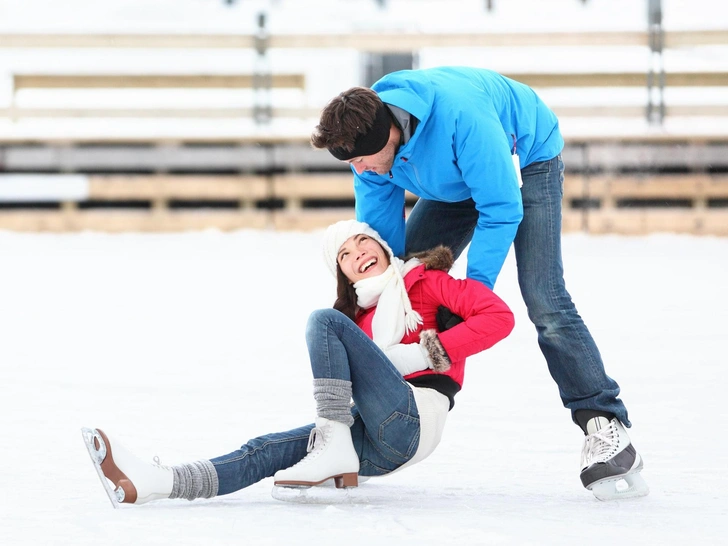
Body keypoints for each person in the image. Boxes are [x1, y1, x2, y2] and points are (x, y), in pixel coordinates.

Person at [310, 67, 648, 500]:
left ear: (389, 134)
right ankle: (393, 398)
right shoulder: (365, 140)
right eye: (351, 162)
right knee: (405, 279)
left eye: (361, 160)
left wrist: (475, 293)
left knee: (545, 298)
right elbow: (385, 255)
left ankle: (604, 424)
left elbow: (501, 208)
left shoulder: (461, 118)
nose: (359, 169)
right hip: (458, 177)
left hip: (527, 158)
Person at [82, 219, 514, 506]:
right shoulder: (356, 322)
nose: (358, 251)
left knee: (322, 321)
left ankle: (333, 443)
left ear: (381, 245)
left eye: (362, 239)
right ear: (344, 274)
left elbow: (499, 317)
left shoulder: (427, 282)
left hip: (417, 415)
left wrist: (424, 353)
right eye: (344, 254)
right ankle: (161, 483)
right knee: (265, 449)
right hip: (382, 445)